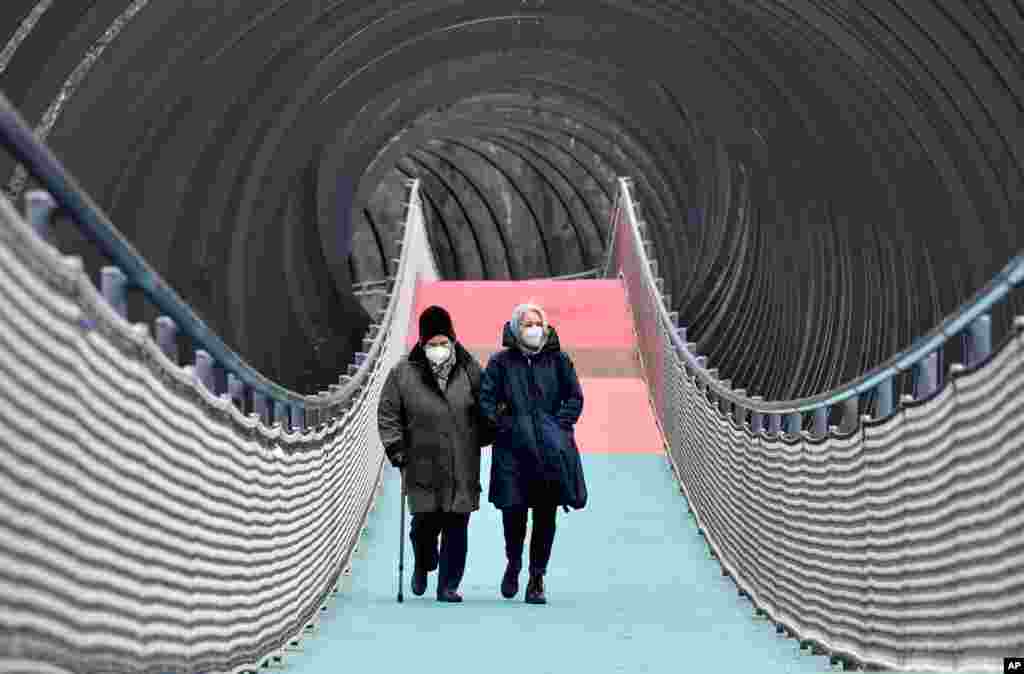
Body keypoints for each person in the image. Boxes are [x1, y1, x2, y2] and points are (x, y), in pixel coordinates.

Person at [377, 305, 491, 602]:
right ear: (422, 343)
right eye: (432, 344)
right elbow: (388, 413)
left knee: (457, 525)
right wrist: (396, 448)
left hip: (461, 463)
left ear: (453, 340)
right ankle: (423, 563)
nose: (438, 348)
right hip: (421, 464)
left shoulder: (470, 370)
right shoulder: (403, 373)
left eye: (443, 343)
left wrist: (488, 427)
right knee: (424, 526)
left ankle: (449, 586)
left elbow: (487, 404)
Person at [479, 302, 586, 605]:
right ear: (515, 328)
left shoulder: (559, 360)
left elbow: (575, 398)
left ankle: (537, 577)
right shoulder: (500, 363)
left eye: (537, 322)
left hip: (549, 453)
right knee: (513, 514)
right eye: (526, 323)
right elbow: (486, 399)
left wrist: (558, 427)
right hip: (513, 453)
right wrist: (504, 426)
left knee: (545, 517)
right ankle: (514, 563)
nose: (533, 328)